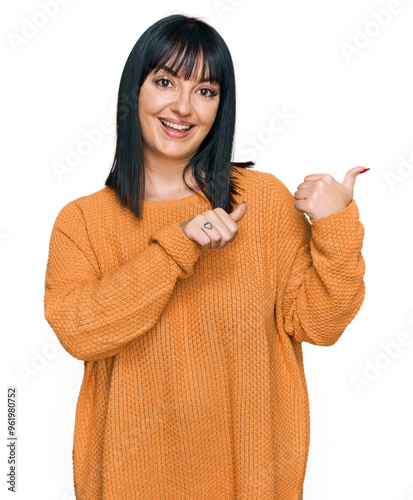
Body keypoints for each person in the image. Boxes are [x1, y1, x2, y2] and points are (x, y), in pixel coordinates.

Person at [43, 14, 367, 500]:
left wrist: (336, 225)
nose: (182, 106)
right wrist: (177, 247)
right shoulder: (84, 221)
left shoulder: (263, 202)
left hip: (253, 484)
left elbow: (321, 325)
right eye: (165, 81)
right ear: (135, 91)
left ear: (221, 106)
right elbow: (82, 332)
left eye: (206, 90)